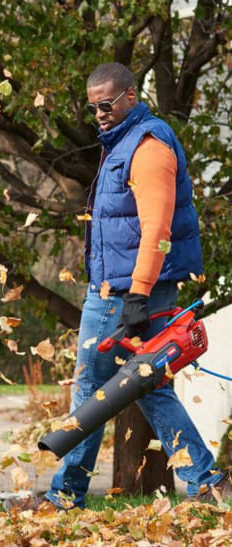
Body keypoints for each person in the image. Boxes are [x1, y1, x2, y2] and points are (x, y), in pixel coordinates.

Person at [36, 62, 228, 510]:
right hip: (121, 287)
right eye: (92, 106)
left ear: (129, 96)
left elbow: (157, 228)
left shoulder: (147, 145)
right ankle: (207, 482)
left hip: (125, 294)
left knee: (90, 391)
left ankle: (64, 497)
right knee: (146, 384)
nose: (99, 113)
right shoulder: (121, 142)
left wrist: (138, 295)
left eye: (106, 104)